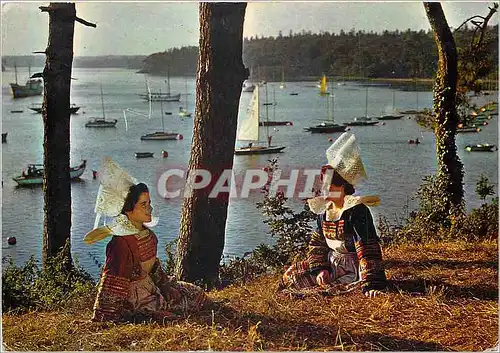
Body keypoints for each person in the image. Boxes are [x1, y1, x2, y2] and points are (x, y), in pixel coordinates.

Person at [84, 157, 207, 322]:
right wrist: (105, 315)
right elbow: (112, 280)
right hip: (133, 296)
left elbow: (153, 267)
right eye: (143, 205)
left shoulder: (148, 235)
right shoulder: (121, 243)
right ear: (128, 210)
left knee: (194, 293)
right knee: (172, 312)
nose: (150, 208)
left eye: (149, 203)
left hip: (150, 286)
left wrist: (165, 286)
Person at [279, 133, 387, 298]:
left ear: (342, 187)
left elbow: (368, 248)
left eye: (329, 186)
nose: (323, 190)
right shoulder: (325, 211)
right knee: (292, 275)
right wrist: (322, 269)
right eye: (323, 185)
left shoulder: (356, 210)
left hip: (353, 267)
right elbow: (318, 245)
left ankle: (355, 283)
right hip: (331, 263)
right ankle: (325, 276)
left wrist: (371, 284)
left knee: (330, 292)